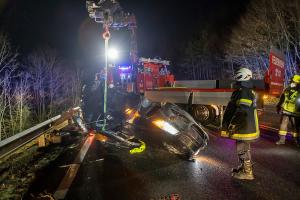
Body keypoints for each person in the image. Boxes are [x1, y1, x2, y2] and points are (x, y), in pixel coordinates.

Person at [221, 68, 259, 180]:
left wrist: (233, 124)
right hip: (245, 126)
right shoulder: (244, 90)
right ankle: (245, 167)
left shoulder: (244, 91)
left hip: (244, 127)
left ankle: (247, 173)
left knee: (242, 149)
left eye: (238, 75)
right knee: (244, 148)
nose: (236, 77)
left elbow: (242, 111)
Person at [276, 74, 300, 146]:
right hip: (296, 112)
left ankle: (282, 140)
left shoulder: (287, 88)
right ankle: (296, 141)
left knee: (283, 125)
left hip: (286, 110)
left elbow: (282, 99)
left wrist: (278, 106)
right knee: (295, 126)